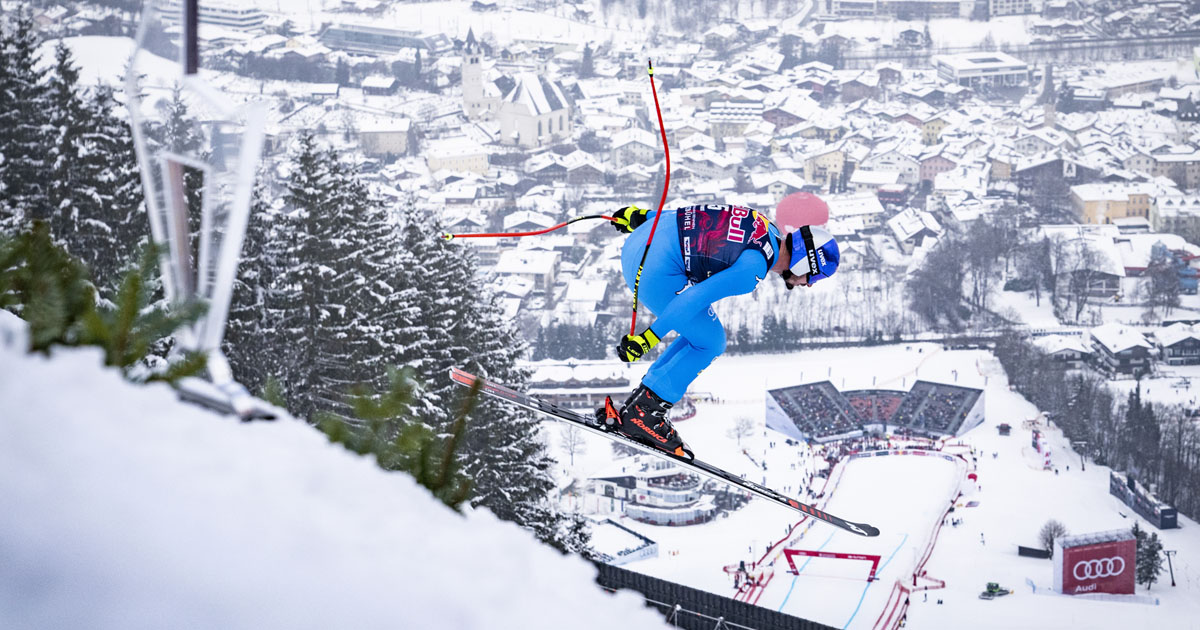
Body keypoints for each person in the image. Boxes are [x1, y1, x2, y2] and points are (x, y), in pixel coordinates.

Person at [597, 197, 840, 459]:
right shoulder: (753, 270)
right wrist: (648, 338)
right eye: (815, 276)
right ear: (806, 262)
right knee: (711, 343)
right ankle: (644, 414)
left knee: (700, 335)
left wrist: (642, 217)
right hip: (652, 272)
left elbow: (696, 217)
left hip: (642, 240)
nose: (810, 284)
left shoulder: (765, 226)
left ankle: (642, 405)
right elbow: (693, 297)